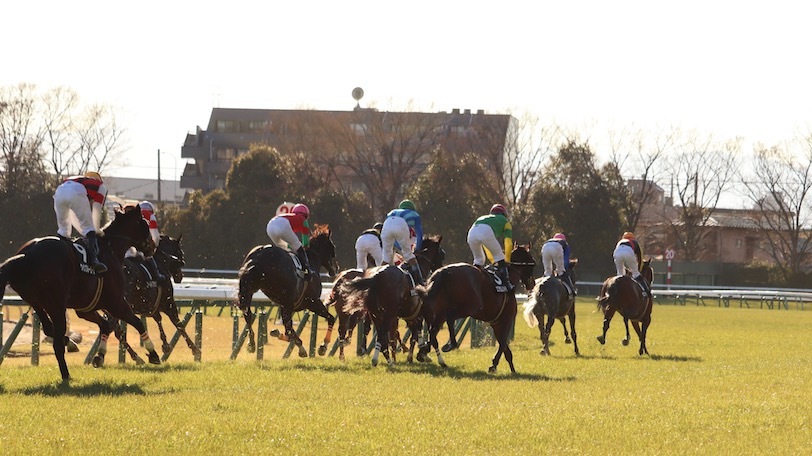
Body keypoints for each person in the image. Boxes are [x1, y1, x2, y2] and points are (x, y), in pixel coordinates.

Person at [53, 171, 108, 273]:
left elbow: (73, 216)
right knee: (90, 228)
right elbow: (97, 208)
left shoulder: (76, 180)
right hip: (75, 193)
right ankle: (94, 261)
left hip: (59, 192)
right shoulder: (101, 186)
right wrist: (95, 230)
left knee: (64, 231)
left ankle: (58, 256)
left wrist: (83, 232)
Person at [467, 204, 513, 291]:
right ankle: (507, 284)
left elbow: (486, 246)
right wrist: (506, 260)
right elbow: (508, 243)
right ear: (504, 214)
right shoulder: (506, 221)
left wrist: (492, 261)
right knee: (500, 257)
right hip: (485, 232)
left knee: (479, 260)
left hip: (471, 233)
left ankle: (473, 283)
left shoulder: (484, 217)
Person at [381, 199, 424, 285]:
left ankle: (378, 278)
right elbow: (419, 235)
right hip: (400, 225)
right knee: (409, 256)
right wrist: (417, 249)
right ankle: (420, 281)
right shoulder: (414, 214)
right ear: (412, 209)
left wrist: (400, 248)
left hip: (386, 225)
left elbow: (394, 238)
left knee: (387, 257)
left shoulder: (392, 212)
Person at [266, 203, 315, 278]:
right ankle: (307, 270)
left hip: (270, 226)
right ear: (306, 215)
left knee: (284, 249)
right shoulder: (302, 220)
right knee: (298, 247)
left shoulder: (290, 218)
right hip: (283, 226)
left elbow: (289, 243)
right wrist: (303, 249)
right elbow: (305, 243)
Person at [125, 200, 165, 282]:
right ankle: (157, 274)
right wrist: (154, 246)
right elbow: (155, 237)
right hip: (139, 248)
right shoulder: (151, 216)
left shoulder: (130, 213)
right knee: (149, 256)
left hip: (125, 248)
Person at [613, 231, 650, 296]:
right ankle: (646, 292)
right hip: (628, 253)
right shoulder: (635, 242)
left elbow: (617, 254)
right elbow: (640, 259)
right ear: (632, 238)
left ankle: (614, 293)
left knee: (620, 275)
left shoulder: (620, 242)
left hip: (617, 253)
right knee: (636, 274)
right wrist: (638, 270)